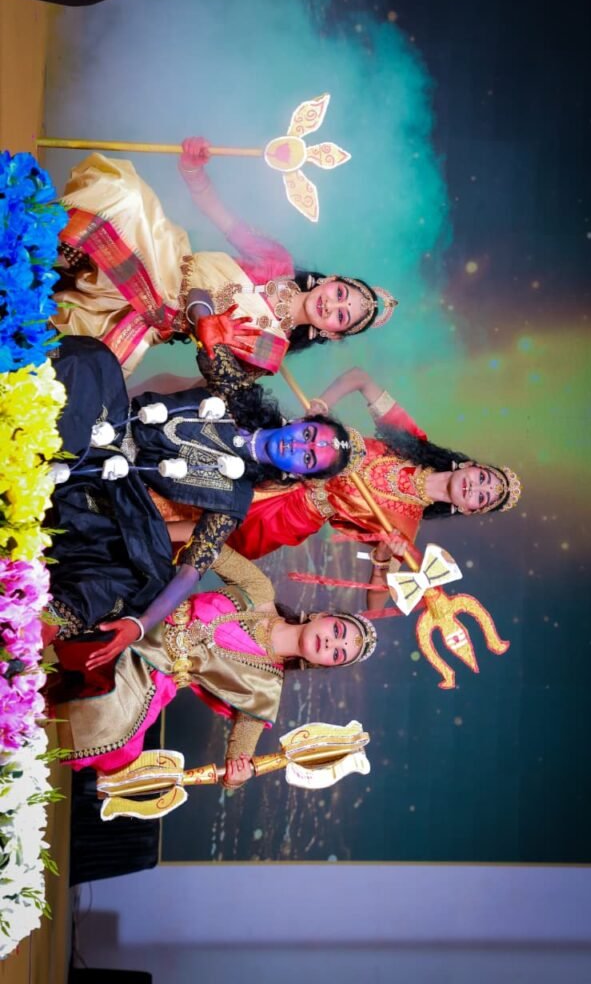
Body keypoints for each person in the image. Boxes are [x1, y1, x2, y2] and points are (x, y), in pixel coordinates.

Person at [46, 336, 353, 650]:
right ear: (301, 422)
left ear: (299, 475)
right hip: (108, 417)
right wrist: (206, 318)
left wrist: (141, 625)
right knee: (95, 360)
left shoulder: (233, 502)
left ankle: (48, 620)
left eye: (307, 457)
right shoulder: (236, 393)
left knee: (146, 574)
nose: (297, 445)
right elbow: (209, 334)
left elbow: (191, 571)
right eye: (307, 434)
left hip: (108, 482)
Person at [50, 138, 397, 377]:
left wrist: (210, 340)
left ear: (332, 334)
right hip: (166, 257)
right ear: (332, 280)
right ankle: (35, 232)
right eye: (340, 294)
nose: (331, 305)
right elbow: (218, 213)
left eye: (340, 316)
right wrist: (192, 170)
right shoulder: (277, 261)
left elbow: (216, 379)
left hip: (158, 318)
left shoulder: (270, 349)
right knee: (123, 196)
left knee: (87, 358)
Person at [49, 545, 377, 789]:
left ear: (323, 664)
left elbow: (239, 757)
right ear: (323, 616)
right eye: (337, 631)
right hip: (143, 611)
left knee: (106, 723)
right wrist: (153, 536)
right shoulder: (259, 590)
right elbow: (208, 544)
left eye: (338, 654)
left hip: (147, 679)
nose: (331, 643)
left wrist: (237, 776)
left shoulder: (264, 691)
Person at [224, 367, 522, 610]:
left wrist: (382, 560)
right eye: (483, 478)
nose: (475, 487)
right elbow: (360, 378)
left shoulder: (403, 530)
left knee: (211, 523)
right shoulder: (410, 440)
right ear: (469, 465)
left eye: (482, 497)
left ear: (469, 510)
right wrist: (321, 406)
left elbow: (375, 606)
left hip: (288, 514)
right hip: (290, 452)